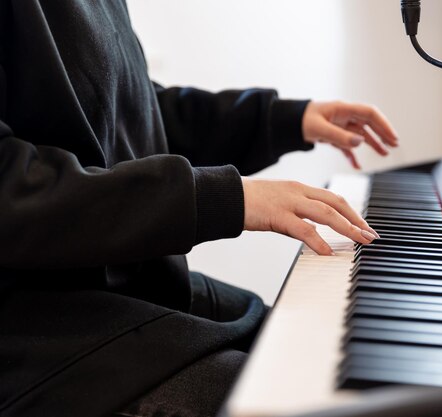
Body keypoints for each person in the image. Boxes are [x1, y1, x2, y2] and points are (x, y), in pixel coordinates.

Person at [0, 1, 398, 416]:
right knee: (299, 393)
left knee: (324, 346)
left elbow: (133, 115)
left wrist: (282, 119)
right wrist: (224, 198)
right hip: (39, 336)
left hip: (131, 292)